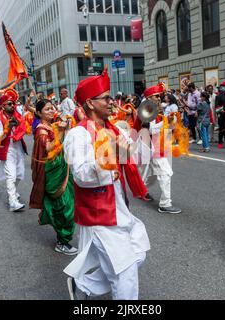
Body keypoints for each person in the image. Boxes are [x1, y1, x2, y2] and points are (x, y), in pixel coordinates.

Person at [63, 69, 150, 300]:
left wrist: (142, 127)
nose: (112, 102)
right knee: (124, 271)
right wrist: (112, 154)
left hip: (119, 206)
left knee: (139, 252)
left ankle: (84, 285)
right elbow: (81, 175)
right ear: (90, 103)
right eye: (106, 98)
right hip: (98, 212)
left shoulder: (114, 129)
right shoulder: (77, 135)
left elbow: (136, 158)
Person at [29, 99, 77, 255]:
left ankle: (62, 237)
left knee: (66, 204)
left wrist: (63, 128)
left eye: (52, 108)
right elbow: (49, 149)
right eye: (47, 109)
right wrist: (61, 132)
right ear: (39, 113)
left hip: (62, 167)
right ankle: (62, 241)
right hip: (53, 172)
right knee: (63, 207)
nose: (51, 111)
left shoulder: (52, 125)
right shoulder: (41, 131)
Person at [142, 84, 182, 214]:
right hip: (153, 147)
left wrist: (170, 123)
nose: (159, 98)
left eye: (160, 96)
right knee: (165, 173)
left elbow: (163, 128)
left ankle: (141, 189)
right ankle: (165, 204)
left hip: (160, 144)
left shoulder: (156, 109)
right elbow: (151, 129)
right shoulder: (147, 110)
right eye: (156, 96)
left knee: (154, 174)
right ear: (149, 97)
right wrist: (165, 120)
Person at [0, 89, 28, 212]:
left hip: (18, 148)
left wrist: (18, 124)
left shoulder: (17, 116)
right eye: (9, 104)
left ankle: (13, 192)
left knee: (20, 174)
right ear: (2, 106)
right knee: (11, 176)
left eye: (13, 103)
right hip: (8, 149)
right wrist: (8, 127)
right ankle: (13, 201)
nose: (12, 105)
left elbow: (23, 128)